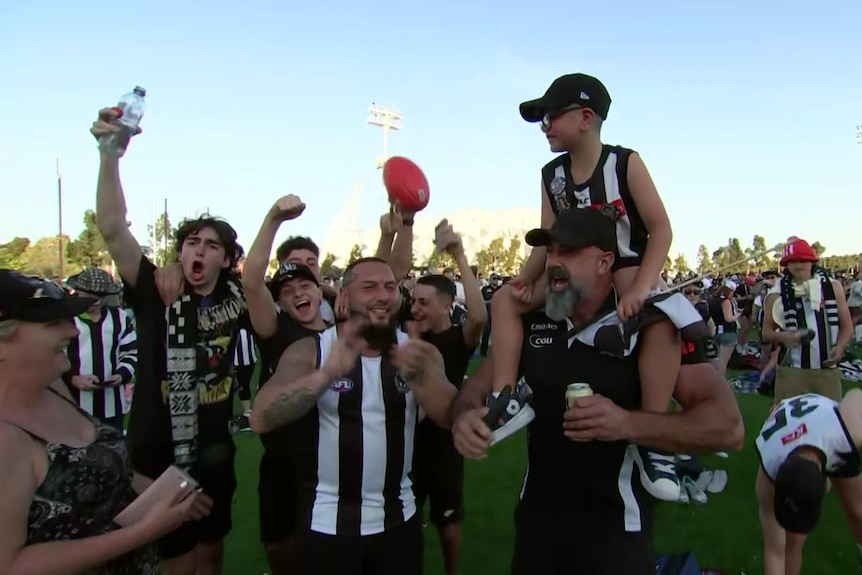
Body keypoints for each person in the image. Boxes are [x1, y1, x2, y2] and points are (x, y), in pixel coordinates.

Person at [449, 209, 743, 574]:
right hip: (537, 529)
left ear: (605, 262)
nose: (555, 263)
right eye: (551, 252)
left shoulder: (650, 327)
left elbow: (728, 427)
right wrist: (465, 418)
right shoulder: (533, 322)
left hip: (617, 533)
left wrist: (626, 423)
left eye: (568, 253)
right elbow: (475, 387)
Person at [487, 73, 681, 499]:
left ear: (586, 117)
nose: (545, 126)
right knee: (504, 301)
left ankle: (652, 434)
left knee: (664, 318)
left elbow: (661, 229)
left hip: (624, 266)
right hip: (568, 275)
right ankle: (506, 396)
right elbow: (547, 232)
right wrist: (524, 275)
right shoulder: (551, 174)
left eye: (552, 116)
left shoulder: (625, 163)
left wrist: (641, 288)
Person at [92, 107, 247, 575]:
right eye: (192, 242)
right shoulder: (155, 289)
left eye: (211, 245)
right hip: (159, 453)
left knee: (212, 552)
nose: (199, 251)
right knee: (176, 561)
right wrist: (108, 156)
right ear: (179, 251)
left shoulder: (237, 297)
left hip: (216, 451)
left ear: (226, 259)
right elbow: (113, 226)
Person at [250, 257, 458, 575]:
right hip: (327, 524)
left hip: (398, 521)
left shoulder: (419, 352)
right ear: (344, 297)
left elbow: (448, 416)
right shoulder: (311, 352)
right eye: (369, 287)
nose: (382, 295)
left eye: (390, 287)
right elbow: (261, 417)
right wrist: (324, 376)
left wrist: (419, 376)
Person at [0, 269, 212, 574]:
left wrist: (160, 492)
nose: (72, 332)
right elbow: (9, 565)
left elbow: (94, 463)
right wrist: (142, 533)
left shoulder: (52, 387)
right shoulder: (6, 437)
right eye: (51, 324)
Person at [241, 195, 331, 575]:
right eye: (287, 290)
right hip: (280, 458)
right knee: (279, 544)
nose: (297, 293)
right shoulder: (276, 330)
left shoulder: (339, 332)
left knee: (323, 549)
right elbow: (250, 281)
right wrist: (274, 218)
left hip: (327, 462)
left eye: (304, 286)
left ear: (318, 289)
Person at [407, 221, 487, 575]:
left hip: (444, 446)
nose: (415, 308)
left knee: (448, 518)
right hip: (406, 442)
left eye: (423, 302)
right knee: (405, 516)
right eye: (413, 301)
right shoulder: (406, 337)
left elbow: (480, 316)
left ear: (444, 306)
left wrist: (458, 254)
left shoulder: (457, 339)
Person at [754, 391, 862, 575]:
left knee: (858, 511)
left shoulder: (851, 431)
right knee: (792, 541)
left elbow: (856, 394)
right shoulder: (767, 478)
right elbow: (774, 552)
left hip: (829, 433)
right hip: (794, 438)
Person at [761, 237, 854, 401]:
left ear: (812, 261)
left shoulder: (833, 287)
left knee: (830, 422)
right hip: (792, 371)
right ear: (786, 265)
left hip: (827, 371)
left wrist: (840, 348)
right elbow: (766, 333)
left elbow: (847, 325)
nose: (798, 265)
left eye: (803, 260)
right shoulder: (776, 293)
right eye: (793, 261)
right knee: (790, 423)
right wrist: (784, 336)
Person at [63, 267, 138, 431]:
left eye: (100, 296)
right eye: (89, 296)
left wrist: (121, 374)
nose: (95, 301)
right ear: (77, 292)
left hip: (112, 408)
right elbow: (52, 358)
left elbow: (131, 352)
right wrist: (72, 378)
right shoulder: (64, 320)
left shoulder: (120, 318)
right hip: (74, 406)